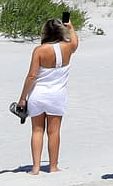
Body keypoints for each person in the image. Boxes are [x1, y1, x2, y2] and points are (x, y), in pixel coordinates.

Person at [15, 16, 79, 174]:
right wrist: (70, 27)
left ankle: (36, 167)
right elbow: (75, 42)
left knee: (37, 130)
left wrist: (23, 98)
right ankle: (53, 166)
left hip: (38, 94)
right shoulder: (68, 47)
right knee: (54, 131)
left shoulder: (39, 50)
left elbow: (32, 76)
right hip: (57, 95)